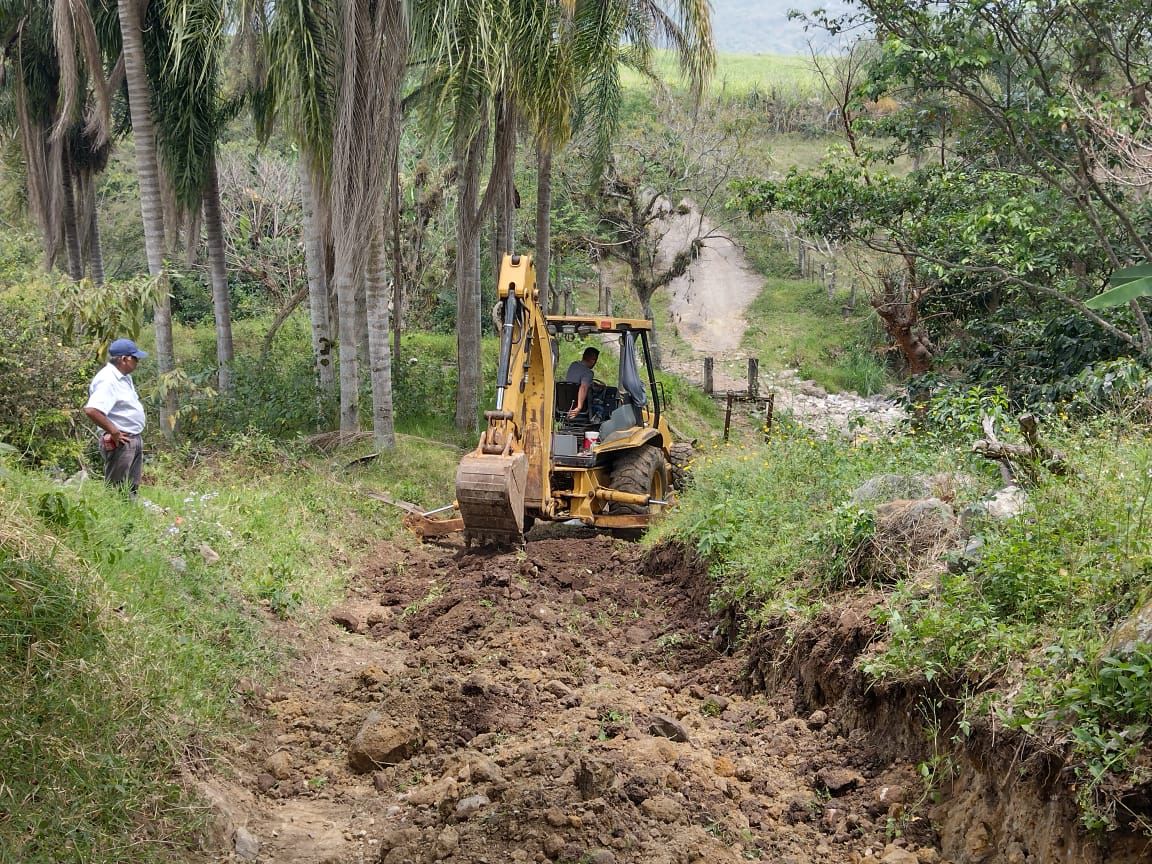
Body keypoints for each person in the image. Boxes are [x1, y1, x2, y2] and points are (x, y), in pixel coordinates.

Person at [84, 338, 148, 494]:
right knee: (115, 488)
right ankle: (113, 515)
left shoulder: (124, 377)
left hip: (132, 437)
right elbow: (92, 410)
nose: (137, 361)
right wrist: (114, 432)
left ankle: (130, 516)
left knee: (131, 487)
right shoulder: (108, 379)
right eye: (135, 358)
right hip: (120, 440)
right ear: (124, 359)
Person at [565, 346, 599, 418]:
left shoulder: (573, 365)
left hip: (566, 403)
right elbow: (583, 387)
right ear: (593, 360)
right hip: (579, 407)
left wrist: (592, 384)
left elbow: (575, 381)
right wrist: (579, 408)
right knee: (600, 408)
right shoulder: (588, 372)